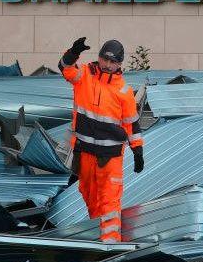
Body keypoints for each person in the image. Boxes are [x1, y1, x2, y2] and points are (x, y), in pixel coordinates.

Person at [59, 37, 144, 243]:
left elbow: (132, 124)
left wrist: (138, 150)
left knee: (109, 203)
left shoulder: (124, 91)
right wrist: (73, 52)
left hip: (110, 157)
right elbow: (64, 68)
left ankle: (110, 246)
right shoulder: (84, 75)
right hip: (84, 152)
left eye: (113, 62)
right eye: (105, 59)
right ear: (98, 58)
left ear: (119, 64)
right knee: (90, 198)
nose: (107, 65)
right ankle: (100, 241)